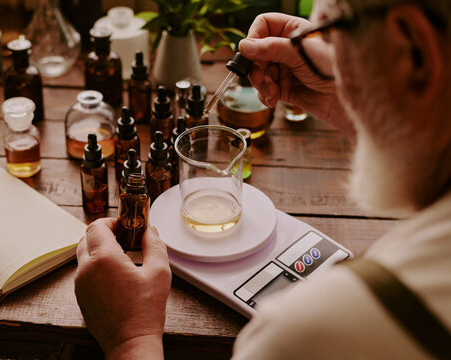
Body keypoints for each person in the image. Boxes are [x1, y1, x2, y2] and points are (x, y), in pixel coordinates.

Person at [74, 0, 451, 358]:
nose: (329, 54)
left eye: (332, 34)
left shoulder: (312, 334)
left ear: (412, 53)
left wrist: (130, 339)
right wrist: (350, 100)